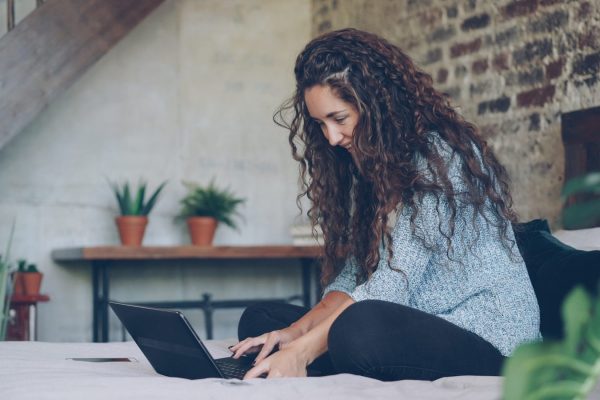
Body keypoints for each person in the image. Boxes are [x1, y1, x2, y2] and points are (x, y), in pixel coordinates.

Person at [229, 28, 541, 381]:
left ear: (375, 104)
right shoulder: (375, 166)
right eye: (321, 124)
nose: (331, 138)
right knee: (261, 320)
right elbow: (354, 277)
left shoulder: (441, 158)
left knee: (356, 328)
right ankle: (300, 356)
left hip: (490, 340)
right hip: (416, 320)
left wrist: (303, 350)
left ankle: (310, 360)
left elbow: (395, 282)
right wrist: (293, 335)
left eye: (339, 119)